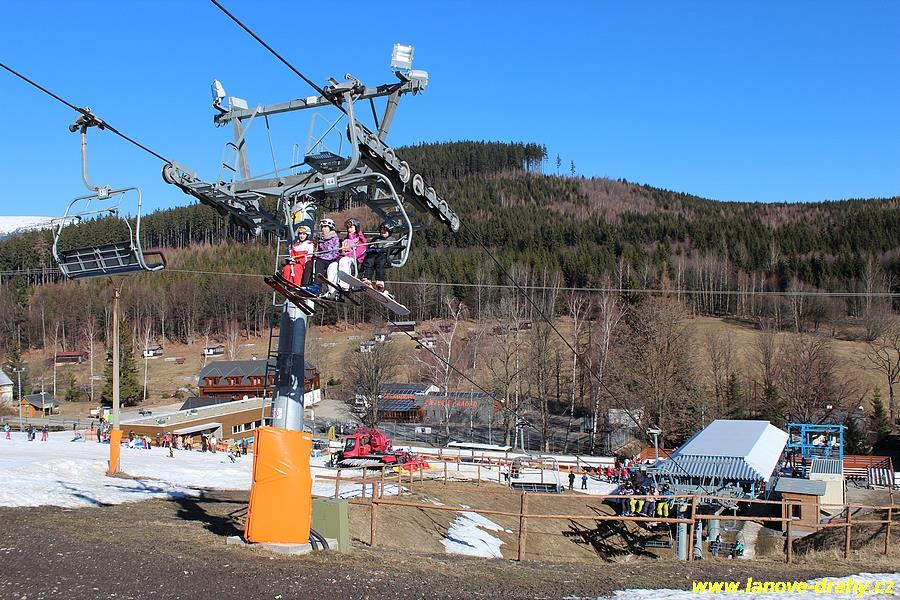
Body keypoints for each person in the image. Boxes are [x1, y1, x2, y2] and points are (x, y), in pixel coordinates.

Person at [302, 218, 340, 298]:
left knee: (319, 263)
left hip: (331, 260)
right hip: (322, 259)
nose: (323, 229)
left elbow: (335, 252)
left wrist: (321, 256)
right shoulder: (321, 240)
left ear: (330, 228)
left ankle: (317, 285)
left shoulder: (335, 238)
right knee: (309, 263)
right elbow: (319, 251)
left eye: (325, 227)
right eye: (322, 227)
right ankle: (306, 285)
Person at [360, 221, 401, 291]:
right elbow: (371, 247)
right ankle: (367, 278)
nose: (383, 232)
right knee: (369, 260)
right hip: (374, 256)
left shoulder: (392, 240)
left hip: (385, 256)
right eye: (381, 230)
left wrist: (380, 250)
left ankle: (380, 280)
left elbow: (389, 249)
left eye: (385, 230)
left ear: (390, 231)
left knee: (380, 261)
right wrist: (373, 250)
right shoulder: (376, 239)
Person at [337, 218, 367, 290]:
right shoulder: (345, 240)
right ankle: (332, 290)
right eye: (348, 228)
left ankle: (345, 284)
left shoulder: (360, 240)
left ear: (356, 228)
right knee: (333, 265)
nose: (349, 229)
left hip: (355, 260)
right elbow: (341, 251)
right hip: (345, 258)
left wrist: (347, 255)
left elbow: (359, 252)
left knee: (344, 260)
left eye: (351, 227)